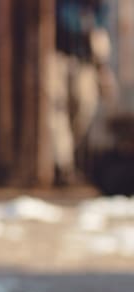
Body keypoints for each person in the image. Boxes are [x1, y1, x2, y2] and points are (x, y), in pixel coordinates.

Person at [49, 0, 117, 185]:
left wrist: (103, 68)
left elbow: (100, 33)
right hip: (58, 56)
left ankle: (65, 155)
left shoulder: (98, 6)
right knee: (56, 111)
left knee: (85, 107)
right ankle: (63, 165)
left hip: (85, 60)